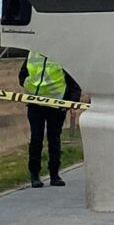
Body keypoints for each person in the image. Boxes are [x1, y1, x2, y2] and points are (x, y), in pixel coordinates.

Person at [18, 48, 81, 187]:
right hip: (35, 103)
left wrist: (72, 103)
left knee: (54, 139)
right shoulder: (33, 53)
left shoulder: (63, 54)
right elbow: (22, 75)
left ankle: (54, 174)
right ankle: (34, 175)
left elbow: (73, 80)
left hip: (57, 103)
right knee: (36, 138)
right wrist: (28, 84)